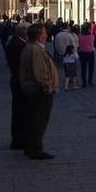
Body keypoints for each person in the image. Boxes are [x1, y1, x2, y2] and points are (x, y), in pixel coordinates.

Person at [19, 23, 58, 160]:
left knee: (34, 120)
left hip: (33, 90)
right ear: (39, 36)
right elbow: (40, 72)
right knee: (39, 121)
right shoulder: (35, 50)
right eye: (44, 33)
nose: (46, 35)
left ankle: (30, 147)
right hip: (39, 92)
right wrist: (47, 87)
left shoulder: (32, 48)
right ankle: (36, 149)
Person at [4, 22, 29, 149]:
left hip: (18, 79)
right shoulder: (18, 44)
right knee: (20, 111)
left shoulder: (17, 42)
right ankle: (18, 140)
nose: (28, 33)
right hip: (19, 80)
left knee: (19, 111)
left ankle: (19, 139)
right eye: (27, 30)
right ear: (21, 31)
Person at [78, 22, 95, 86]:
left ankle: (84, 82)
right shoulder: (91, 36)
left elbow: (78, 45)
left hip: (82, 53)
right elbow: (93, 44)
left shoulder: (80, 36)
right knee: (91, 68)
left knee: (83, 68)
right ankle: (90, 80)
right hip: (90, 53)